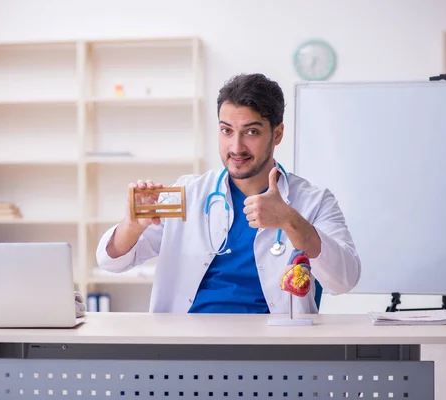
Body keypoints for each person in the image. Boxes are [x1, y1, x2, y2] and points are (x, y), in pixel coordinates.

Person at [96, 73, 361, 314]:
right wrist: (133, 225)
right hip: (187, 348)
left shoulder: (313, 201)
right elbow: (111, 262)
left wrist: (291, 221)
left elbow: (345, 280)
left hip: (276, 351)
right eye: (226, 131)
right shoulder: (189, 193)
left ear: (277, 134)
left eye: (252, 132)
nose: (236, 147)